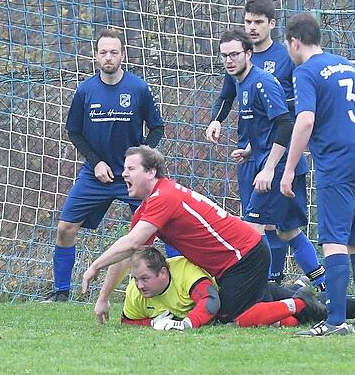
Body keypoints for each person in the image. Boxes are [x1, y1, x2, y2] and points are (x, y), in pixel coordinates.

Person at [281, 12, 355, 336]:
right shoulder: (346, 64)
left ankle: (335, 322)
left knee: (334, 241)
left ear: (294, 42)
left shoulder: (305, 72)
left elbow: (304, 121)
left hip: (338, 164)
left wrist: (289, 170)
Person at [205, 0, 322, 286]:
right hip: (257, 152)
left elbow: (287, 117)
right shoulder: (239, 68)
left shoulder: (282, 62)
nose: (252, 27)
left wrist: (276, 159)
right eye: (248, 22)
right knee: (284, 229)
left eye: (258, 22)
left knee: (258, 227)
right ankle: (317, 284)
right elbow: (227, 97)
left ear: (272, 24)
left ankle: (258, 286)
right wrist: (222, 124)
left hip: (279, 155)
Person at [82, 145, 270, 325]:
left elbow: (132, 243)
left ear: (151, 172)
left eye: (131, 168)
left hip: (244, 256)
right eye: (124, 169)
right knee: (249, 304)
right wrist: (103, 298)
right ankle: (296, 294)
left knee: (227, 318)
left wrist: (95, 266)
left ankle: (297, 302)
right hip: (233, 262)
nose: (123, 174)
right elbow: (128, 253)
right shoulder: (147, 207)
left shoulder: (164, 195)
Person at [43, 28, 166, 302]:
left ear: (123, 55)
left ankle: (176, 287)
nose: (108, 57)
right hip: (95, 175)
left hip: (132, 178)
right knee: (65, 228)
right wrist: (96, 162)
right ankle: (61, 293)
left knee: (166, 231)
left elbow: (157, 127)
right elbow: (74, 131)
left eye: (114, 52)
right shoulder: (85, 91)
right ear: (95, 56)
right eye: (103, 52)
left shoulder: (138, 88)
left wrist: (140, 162)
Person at [119, 247, 328, 330]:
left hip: (241, 293)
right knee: (294, 319)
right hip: (257, 298)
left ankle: (302, 300)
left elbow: (211, 302)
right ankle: (300, 295)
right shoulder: (134, 292)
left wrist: (185, 325)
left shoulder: (184, 273)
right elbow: (128, 321)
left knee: (236, 320)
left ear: (163, 273)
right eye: (136, 279)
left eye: (145, 278)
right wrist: (153, 322)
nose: (139, 285)